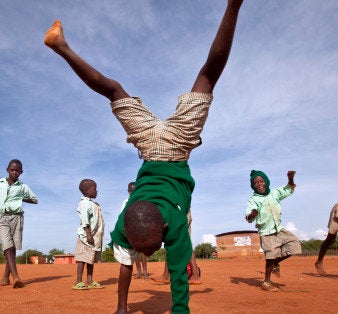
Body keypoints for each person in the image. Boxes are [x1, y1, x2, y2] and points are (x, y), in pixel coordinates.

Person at [45, 0, 243, 312]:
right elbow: (179, 277)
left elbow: (179, 280)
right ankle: (62, 47)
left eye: (148, 251)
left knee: (208, 76)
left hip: (174, 147)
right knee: (116, 91)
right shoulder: (128, 225)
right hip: (152, 144)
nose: (148, 256)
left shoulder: (166, 223)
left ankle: (233, 6)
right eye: (147, 251)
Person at [244, 170, 300, 292]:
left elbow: (289, 189)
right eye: (256, 183)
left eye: (261, 181)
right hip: (265, 232)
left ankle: (275, 263)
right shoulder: (253, 199)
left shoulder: (274, 193)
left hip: (278, 229)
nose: (259, 184)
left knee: (295, 244)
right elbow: (248, 217)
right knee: (270, 256)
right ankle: (267, 282)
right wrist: (253, 214)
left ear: (266, 182)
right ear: (253, 186)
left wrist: (290, 179)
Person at [0, 159, 38, 288]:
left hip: (17, 218)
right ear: (7, 170)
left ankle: (5, 278)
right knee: (7, 246)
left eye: (17, 170)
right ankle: (16, 277)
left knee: (13, 248)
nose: (15, 172)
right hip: (2, 217)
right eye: (12, 170)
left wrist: (20, 198)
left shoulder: (22, 187)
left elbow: (35, 200)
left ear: (21, 172)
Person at [151, 211, 201, 285]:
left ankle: (195, 276)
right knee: (182, 243)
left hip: (179, 214)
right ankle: (166, 275)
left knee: (173, 242)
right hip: (182, 213)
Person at [72, 179, 105, 290]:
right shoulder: (84, 203)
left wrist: (96, 206)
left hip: (94, 236)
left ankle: (90, 280)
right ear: (86, 191)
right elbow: (85, 219)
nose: (97, 191)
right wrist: (88, 234)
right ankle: (78, 281)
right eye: (94, 189)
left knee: (90, 259)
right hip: (86, 237)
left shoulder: (92, 203)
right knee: (82, 259)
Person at [121, 182, 149, 280]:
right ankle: (139, 272)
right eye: (131, 191)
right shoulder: (125, 202)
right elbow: (122, 215)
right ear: (128, 191)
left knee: (144, 251)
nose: (133, 192)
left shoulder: (142, 200)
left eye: (135, 190)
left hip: (142, 228)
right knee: (135, 251)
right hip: (132, 229)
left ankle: (145, 272)